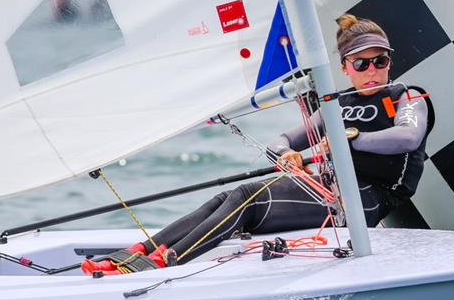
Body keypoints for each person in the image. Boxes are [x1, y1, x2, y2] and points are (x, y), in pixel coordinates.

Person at [81, 14, 433, 275]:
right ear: (344, 68)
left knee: (246, 198)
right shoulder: (334, 105)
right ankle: (139, 251)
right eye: (361, 62)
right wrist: (287, 156)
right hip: (329, 190)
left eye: (380, 60)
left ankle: (163, 263)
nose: (372, 69)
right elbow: (279, 141)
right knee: (225, 197)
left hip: (365, 200)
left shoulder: (407, 97)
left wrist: (347, 141)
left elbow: (408, 137)